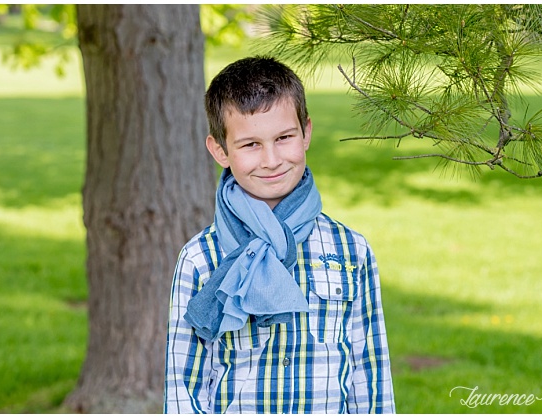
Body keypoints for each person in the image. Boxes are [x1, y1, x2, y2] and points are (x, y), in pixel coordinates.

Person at [164, 56, 395, 413]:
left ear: (306, 133)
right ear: (220, 151)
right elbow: (184, 390)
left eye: (284, 137)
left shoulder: (351, 250)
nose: (271, 159)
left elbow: (371, 376)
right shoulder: (200, 258)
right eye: (250, 145)